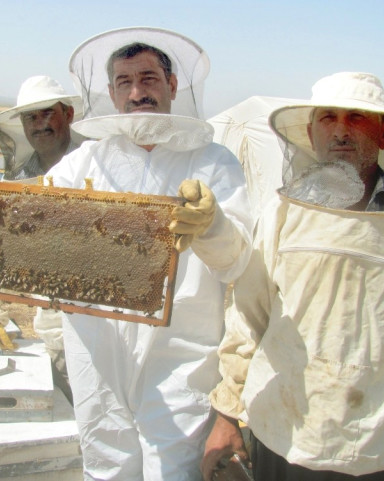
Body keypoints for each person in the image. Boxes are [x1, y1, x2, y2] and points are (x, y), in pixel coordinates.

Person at [202, 72, 384, 481]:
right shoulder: (282, 211)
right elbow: (249, 316)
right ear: (311, 134)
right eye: (328, 118)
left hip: (382, 444)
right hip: (284, 432)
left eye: (357, 118)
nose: (342, 130)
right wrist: (226, 413)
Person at [44, 27, 253, 480]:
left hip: (179, 359)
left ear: (173, 85)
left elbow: (239, 260)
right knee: (106, 467)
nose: (137, 93)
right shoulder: (84, 164)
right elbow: (33, 226)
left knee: (174, 472)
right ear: (112, 93)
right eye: (124, 82)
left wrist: (212, 225)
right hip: (97, 352)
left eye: (149, 79)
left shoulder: (214, 163)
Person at [0, 75, 82, 402]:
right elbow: (0, 250)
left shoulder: (98, 162)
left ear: (68, 114)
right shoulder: (22, 176)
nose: (39, 124)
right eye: (30, 117)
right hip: (57, 331)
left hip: (110, 328)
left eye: (47, 113)